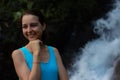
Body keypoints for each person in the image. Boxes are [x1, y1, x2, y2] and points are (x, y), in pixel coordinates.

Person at [12, 9, 69, 80]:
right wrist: (36, 53)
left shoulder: (54, 51)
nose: (29, 30)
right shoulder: (18, 54)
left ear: (43, 26)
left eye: (33, 25)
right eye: (25, 27)